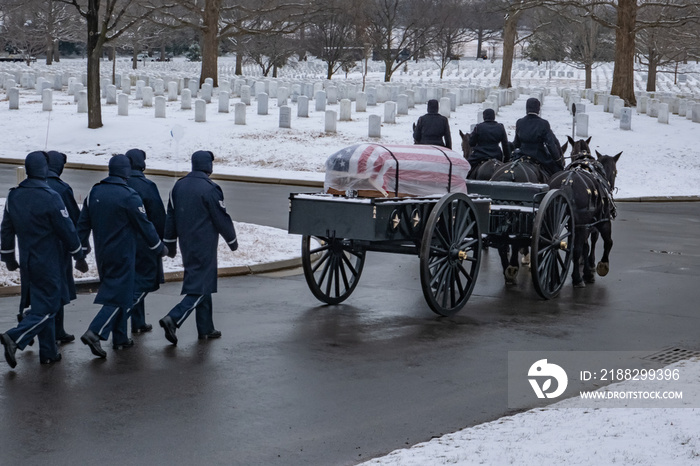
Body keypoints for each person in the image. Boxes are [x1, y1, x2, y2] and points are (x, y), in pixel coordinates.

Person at [1, 151, 88, 368]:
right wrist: (78, 254)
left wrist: (9, 258)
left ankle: (49, 352)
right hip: (49, 260)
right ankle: (15, 337)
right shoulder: (51, 197)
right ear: (43, 169)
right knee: (49, 307)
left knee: (45, 303)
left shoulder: (14, 196)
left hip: (28, 261)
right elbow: (67, 230)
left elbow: (6, 230)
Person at [77, 155, 167, 358]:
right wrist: (158, 247)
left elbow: (83, 224)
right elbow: (145, 225)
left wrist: (81, 251)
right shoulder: (129, 195)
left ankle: (120, 339)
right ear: (126, 171)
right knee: (118, 296)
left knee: (123, 293)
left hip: (102, 254)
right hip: (124, 254)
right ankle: (95, 332)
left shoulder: (95, 191)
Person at [159, 150, 238, 345]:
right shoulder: (210, 188)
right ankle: (174, 318)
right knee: (201, 286)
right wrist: (232, 240)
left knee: (202, 281)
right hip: (204, 244)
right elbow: (221, 217)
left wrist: (170, 243)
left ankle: (206, 328)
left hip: (186, 243)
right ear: (208, 166)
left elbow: (171, 217)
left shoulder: (178, 186)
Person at [125, 148, 166, 334]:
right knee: (143, 283)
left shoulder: (121, 183)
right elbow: (158, 217)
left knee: (132, 282)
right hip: (144, 243)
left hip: (122, 243)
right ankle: (118, 321)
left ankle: (138, 322)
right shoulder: (147, 186)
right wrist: (161, 242)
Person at [44, 150, 81, 344]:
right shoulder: (61, 189)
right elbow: (73, 219)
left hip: (34, 248)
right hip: (59, 247)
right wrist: (79, 248)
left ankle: (48, 326)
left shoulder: (29, 187)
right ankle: (51, 328)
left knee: (44, 290)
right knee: (58, 290)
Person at [512, 97, 564, 178]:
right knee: (557, 174)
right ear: (538, 109)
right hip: (539, 156)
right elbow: (550, 144)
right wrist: (557, 160)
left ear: (527, 108)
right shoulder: (543, 123)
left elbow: (516, 143)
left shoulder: (520, 122)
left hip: (522, 154)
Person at [467, 108, 512, 177]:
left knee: (468, 168)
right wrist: (506, 160)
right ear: (494, 117)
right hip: (496, 155)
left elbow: (471, 143)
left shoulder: (479, 127)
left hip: (480, 155)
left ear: (484, 117)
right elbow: (505, 145)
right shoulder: (500, 127)